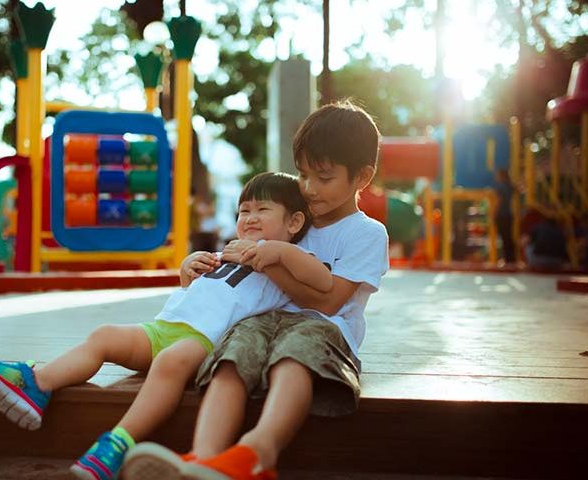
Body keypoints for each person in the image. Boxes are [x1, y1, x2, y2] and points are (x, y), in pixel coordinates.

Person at [0, 172, 334, 480]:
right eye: (244, 210)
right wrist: (188, 269)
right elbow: (205, 291)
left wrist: (278, 252)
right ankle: (36, 384)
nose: (250, 217)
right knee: (105, 335)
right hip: (165, 327)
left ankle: (117, 442)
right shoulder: (229, 251)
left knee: (170, 362)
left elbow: (321, 281)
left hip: (205, 343)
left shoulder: (290, 260)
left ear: (294, 222)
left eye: (262, 209)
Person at [121, 100, 389, 480]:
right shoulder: (295, 219)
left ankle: (258, 454)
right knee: (231, 355)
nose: (309, 189)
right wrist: (198, 269)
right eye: (303, 175)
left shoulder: (366, 233)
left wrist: (268, 260)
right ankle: (203, 459)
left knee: (294, 357)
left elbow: (330, 301)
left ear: (362, 177)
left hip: (324, 327)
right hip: (262, 320)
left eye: (324, 178)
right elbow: (238, 263)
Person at [494, 169, 516, 264]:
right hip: (509, 214)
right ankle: (511, 258)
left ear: (501, 176)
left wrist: (494, 212)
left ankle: (507, 259)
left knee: (503, 237)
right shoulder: (510, 186)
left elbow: (499, 200)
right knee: (509, 237)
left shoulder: (501, 187)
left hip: (502, 215)